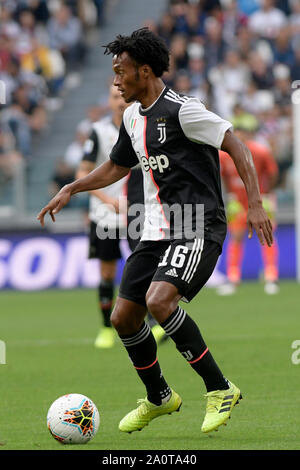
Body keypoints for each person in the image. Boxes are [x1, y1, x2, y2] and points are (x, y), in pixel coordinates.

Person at [37, 28, 273, 434]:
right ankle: (160, 397)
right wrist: (73, 187)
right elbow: (116, 165)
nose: (115, 81)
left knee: (159, 301)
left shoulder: (184, 110)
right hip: (155, 230)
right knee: (124, 316)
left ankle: (220, 389)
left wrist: (254, 203)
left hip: (197, 225)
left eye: (120, 72)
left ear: (144, 72)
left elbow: (237, 144)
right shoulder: (131, 116)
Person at [76, 84, 127, 349]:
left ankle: (152, 324)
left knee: (148, 270)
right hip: (105, 215)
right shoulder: (99, 131)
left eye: (123, 95)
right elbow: (81, 173)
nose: (120, 101)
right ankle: (106, 328)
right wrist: (107, 200)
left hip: (139, 213)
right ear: (109, 100)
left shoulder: (142, 127)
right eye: (114, 96)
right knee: (107, 273)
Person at [218, 125, 279, 295]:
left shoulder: (260, 152)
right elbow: (222, 175)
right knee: (236, 237)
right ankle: (233, 277)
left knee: (267, 236)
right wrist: (230, 194)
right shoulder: (224, 156)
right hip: (237, 202)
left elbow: (273, 173)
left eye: (242, 135)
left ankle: (271, 277)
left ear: (248, 135)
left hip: (260, 202)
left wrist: (266, 194)